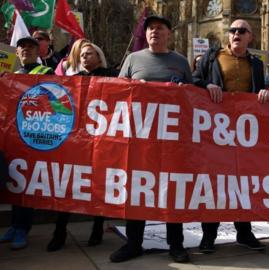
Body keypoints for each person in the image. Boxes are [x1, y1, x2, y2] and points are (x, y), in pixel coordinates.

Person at [109, 15, 192, 263]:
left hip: (171, 141)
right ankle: (134, 243)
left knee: (172, 190)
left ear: (169, 34)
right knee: (137, 190)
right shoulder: (133, 59)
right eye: (151, 29)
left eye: (160, 28)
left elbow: (191, 98)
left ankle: (176, 244)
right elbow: (116, 90)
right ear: (145, 35)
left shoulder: (180, 62)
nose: (154, 32)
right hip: (139, 139)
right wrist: (135, 87)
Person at [192, 19, 269, 253]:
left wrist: (265, 94)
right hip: (215, 132)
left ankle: (244, 233)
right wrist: (207, 85)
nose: (236, 33)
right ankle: (209, 236)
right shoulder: (212, 57)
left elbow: (258, 93)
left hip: (245, 134)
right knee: (214, 183)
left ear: (250, 37)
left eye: (242, 31)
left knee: (243, 184)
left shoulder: (256, 64)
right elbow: (194, 80)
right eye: (233, 30)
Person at [47, 42, 117, 252]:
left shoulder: (112, 76)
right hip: (76, 141)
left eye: (90, 54)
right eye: (83, 54)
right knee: (68, 185)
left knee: (99, 185)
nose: (85, 57)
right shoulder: (71, 80)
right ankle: (59, 233)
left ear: (99, 56)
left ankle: (97, 229)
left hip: (103, 140)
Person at [0, 37, 54, 250]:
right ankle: (14, 225)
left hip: (35, 136)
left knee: (28, 184)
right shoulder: (12, 75)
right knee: (15, 182)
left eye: (30, 47)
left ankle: (23, 228)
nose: (25, 51)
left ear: (37, 51)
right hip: (12, 136)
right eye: (22, 48)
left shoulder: (46, 73)